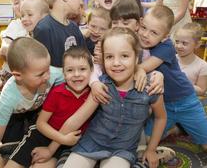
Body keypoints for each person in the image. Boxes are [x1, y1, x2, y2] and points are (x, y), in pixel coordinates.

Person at [61, 27, 167, 168]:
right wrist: (52, 147)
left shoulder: (151, 87)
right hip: (92, 142)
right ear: (103, 60)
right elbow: (76, 119)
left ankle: (143, 153)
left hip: (122, 150)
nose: (116, 63)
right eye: (110, 57)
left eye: (124, 56)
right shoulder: (101, 85)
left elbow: (161, 117)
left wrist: (151, 149)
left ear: (136, 58)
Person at [137, 5, 207, 152]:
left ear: (165, 36)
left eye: (154, 32)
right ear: (140, 22)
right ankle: (176, 129)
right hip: (164, 104)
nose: (145, 35)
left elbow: (143, 68)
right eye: (144, 28)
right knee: (148, 140)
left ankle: (185, 123)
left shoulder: (167, 47)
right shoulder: (140, 41)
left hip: (185, 100)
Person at [0, 37, 64, 168]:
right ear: (18, 76)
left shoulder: (52, 74)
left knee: (32, 141)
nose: (47, 76)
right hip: (16, 116)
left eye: (48, 69)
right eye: (41, 74)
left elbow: (79, 74)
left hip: (37, 112)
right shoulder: (9, 97)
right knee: (2, 143)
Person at [5, 46, 93, 168]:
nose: (76, 75)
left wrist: (63, 142)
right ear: (64, 73)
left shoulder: (93, 95)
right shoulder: (57, 92)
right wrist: (62, 138)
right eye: (70, 70)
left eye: (82, 69)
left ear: (92, 71)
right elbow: (41, 123)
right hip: (43, 135)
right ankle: (10, 149)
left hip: (69, 144)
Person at [33, 0, 86, 68]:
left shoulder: (74, 27)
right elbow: (41, 68)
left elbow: (84, 56)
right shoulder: (44, 29)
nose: (81, 2)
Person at [0, 0, 32, 100]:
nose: (21, 4)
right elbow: (5, 47)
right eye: (16, 3)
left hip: (31, 71)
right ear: (13, 8)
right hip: (12, 71)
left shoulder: (40, 24)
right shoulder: (15, 25)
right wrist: (7, 49)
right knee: (10, 97)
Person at [175, 22, 207, 96]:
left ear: (197, 44)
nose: (178, 46)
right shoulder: (171, 59)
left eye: (184, 43)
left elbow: (201, 91)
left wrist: (182, 83)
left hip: (188, 102)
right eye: (177, 41)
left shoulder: (202, 66)